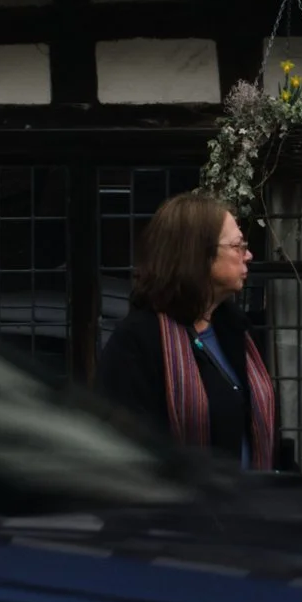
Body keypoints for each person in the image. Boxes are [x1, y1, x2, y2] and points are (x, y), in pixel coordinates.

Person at [94, 191, 277, 470]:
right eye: (238, 245)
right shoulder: (139, 341)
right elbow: (123, 452)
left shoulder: (234, 331)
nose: (249, 255)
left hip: (248, 508)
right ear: (199, 256)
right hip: (182, 510)